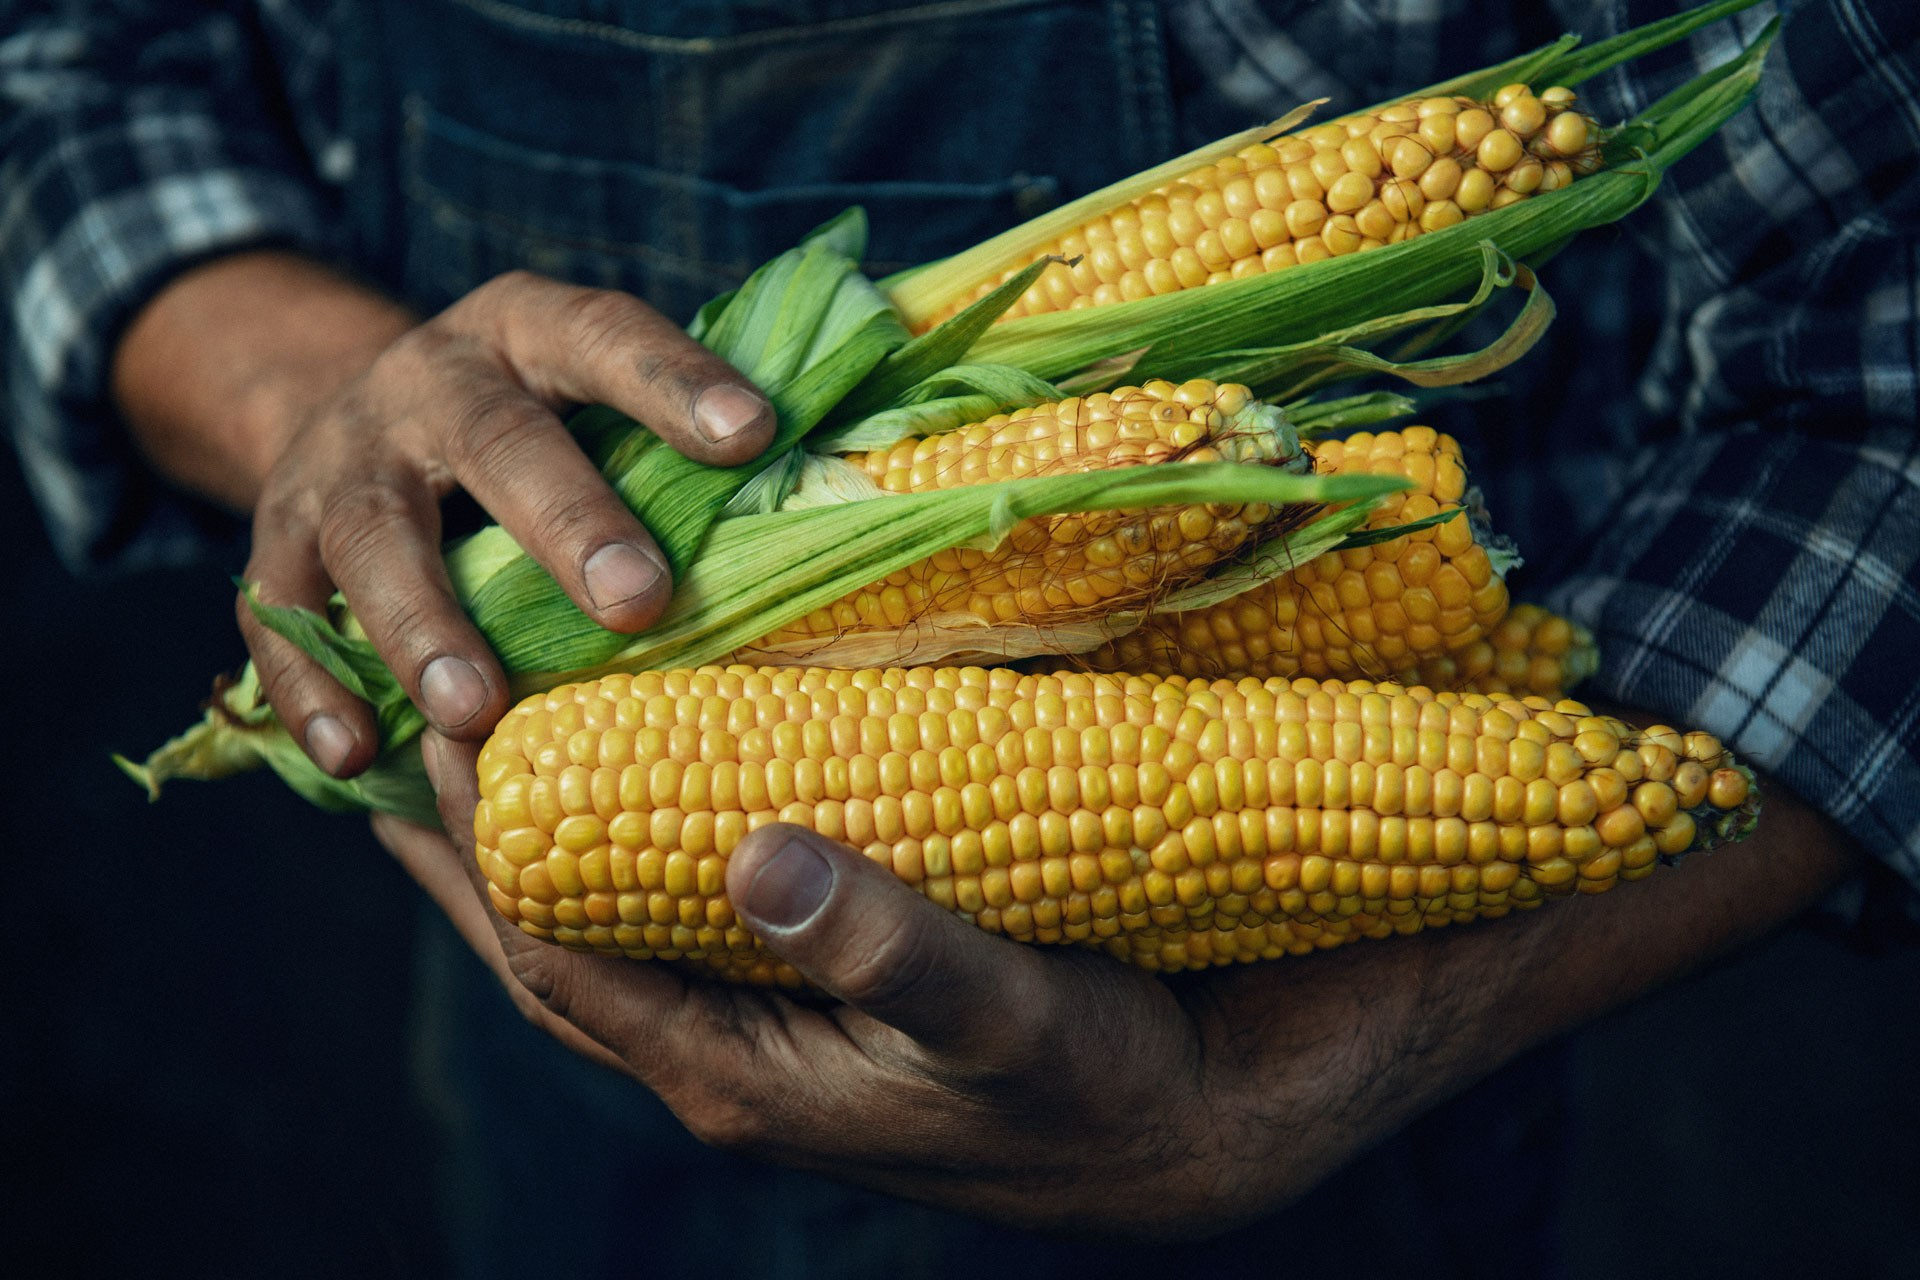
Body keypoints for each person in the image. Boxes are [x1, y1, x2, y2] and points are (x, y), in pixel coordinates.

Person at [3, 0, 1912, 1271]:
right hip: (567, 1068)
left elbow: (1884, 358)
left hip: (1365, 1100)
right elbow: (81, 74)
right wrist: (330, 418)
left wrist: (1319, 1059)